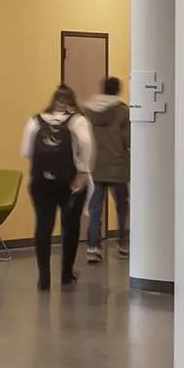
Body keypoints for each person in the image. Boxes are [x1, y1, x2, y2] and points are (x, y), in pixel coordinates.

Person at [20, 85, 97, 291]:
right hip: (70, 182)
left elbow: (26, 151)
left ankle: (43, 276)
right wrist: (82, 170)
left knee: (43, 226)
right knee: (70, 227)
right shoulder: (78, 121)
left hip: (40, 182)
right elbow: (86, 143)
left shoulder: (35, 121)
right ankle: (66, 273)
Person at [79, 75, 131, 264]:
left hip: (95, 165)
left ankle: (94, 247)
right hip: (118, 166)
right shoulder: (123, 111)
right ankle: (123, 244)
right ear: (118, 90)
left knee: (95, 208)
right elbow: (128, 139)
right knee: (122, 207)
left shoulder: (88, 111)